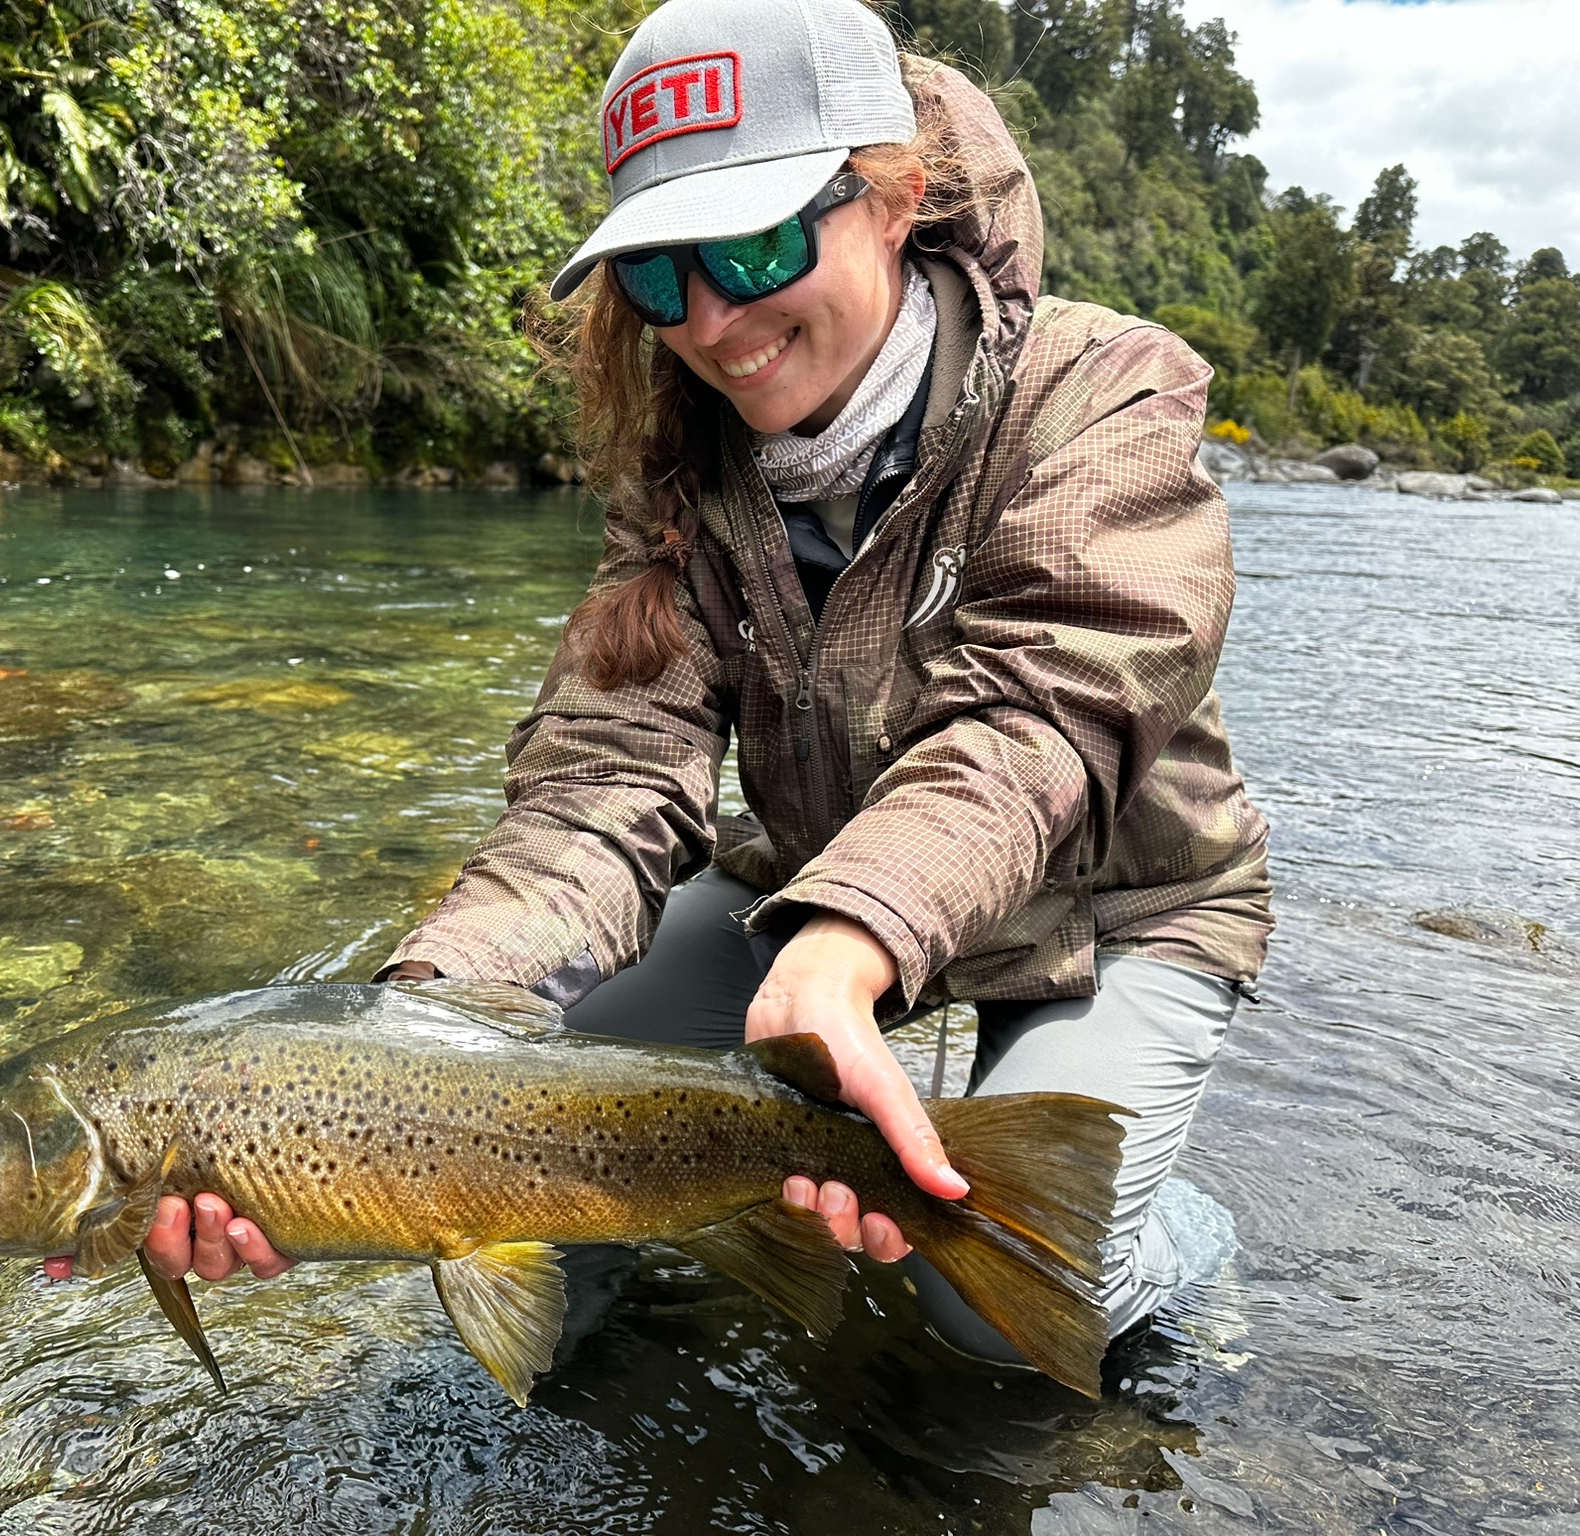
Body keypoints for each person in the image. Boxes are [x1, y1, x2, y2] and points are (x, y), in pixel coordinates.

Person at [99, 0, 1273, 1371]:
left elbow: (1048, 716)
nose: (713, 321)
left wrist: (854, 941)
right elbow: (606, 783)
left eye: (761, 242)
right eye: (662, 276)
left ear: (892, 197)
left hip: (1113, 907)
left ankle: (1163, 1241)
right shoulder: (679, 469)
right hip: (813, 885)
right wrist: (413, 1023)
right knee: (505, 1135)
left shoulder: (1104, 393)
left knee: (996, 1316)